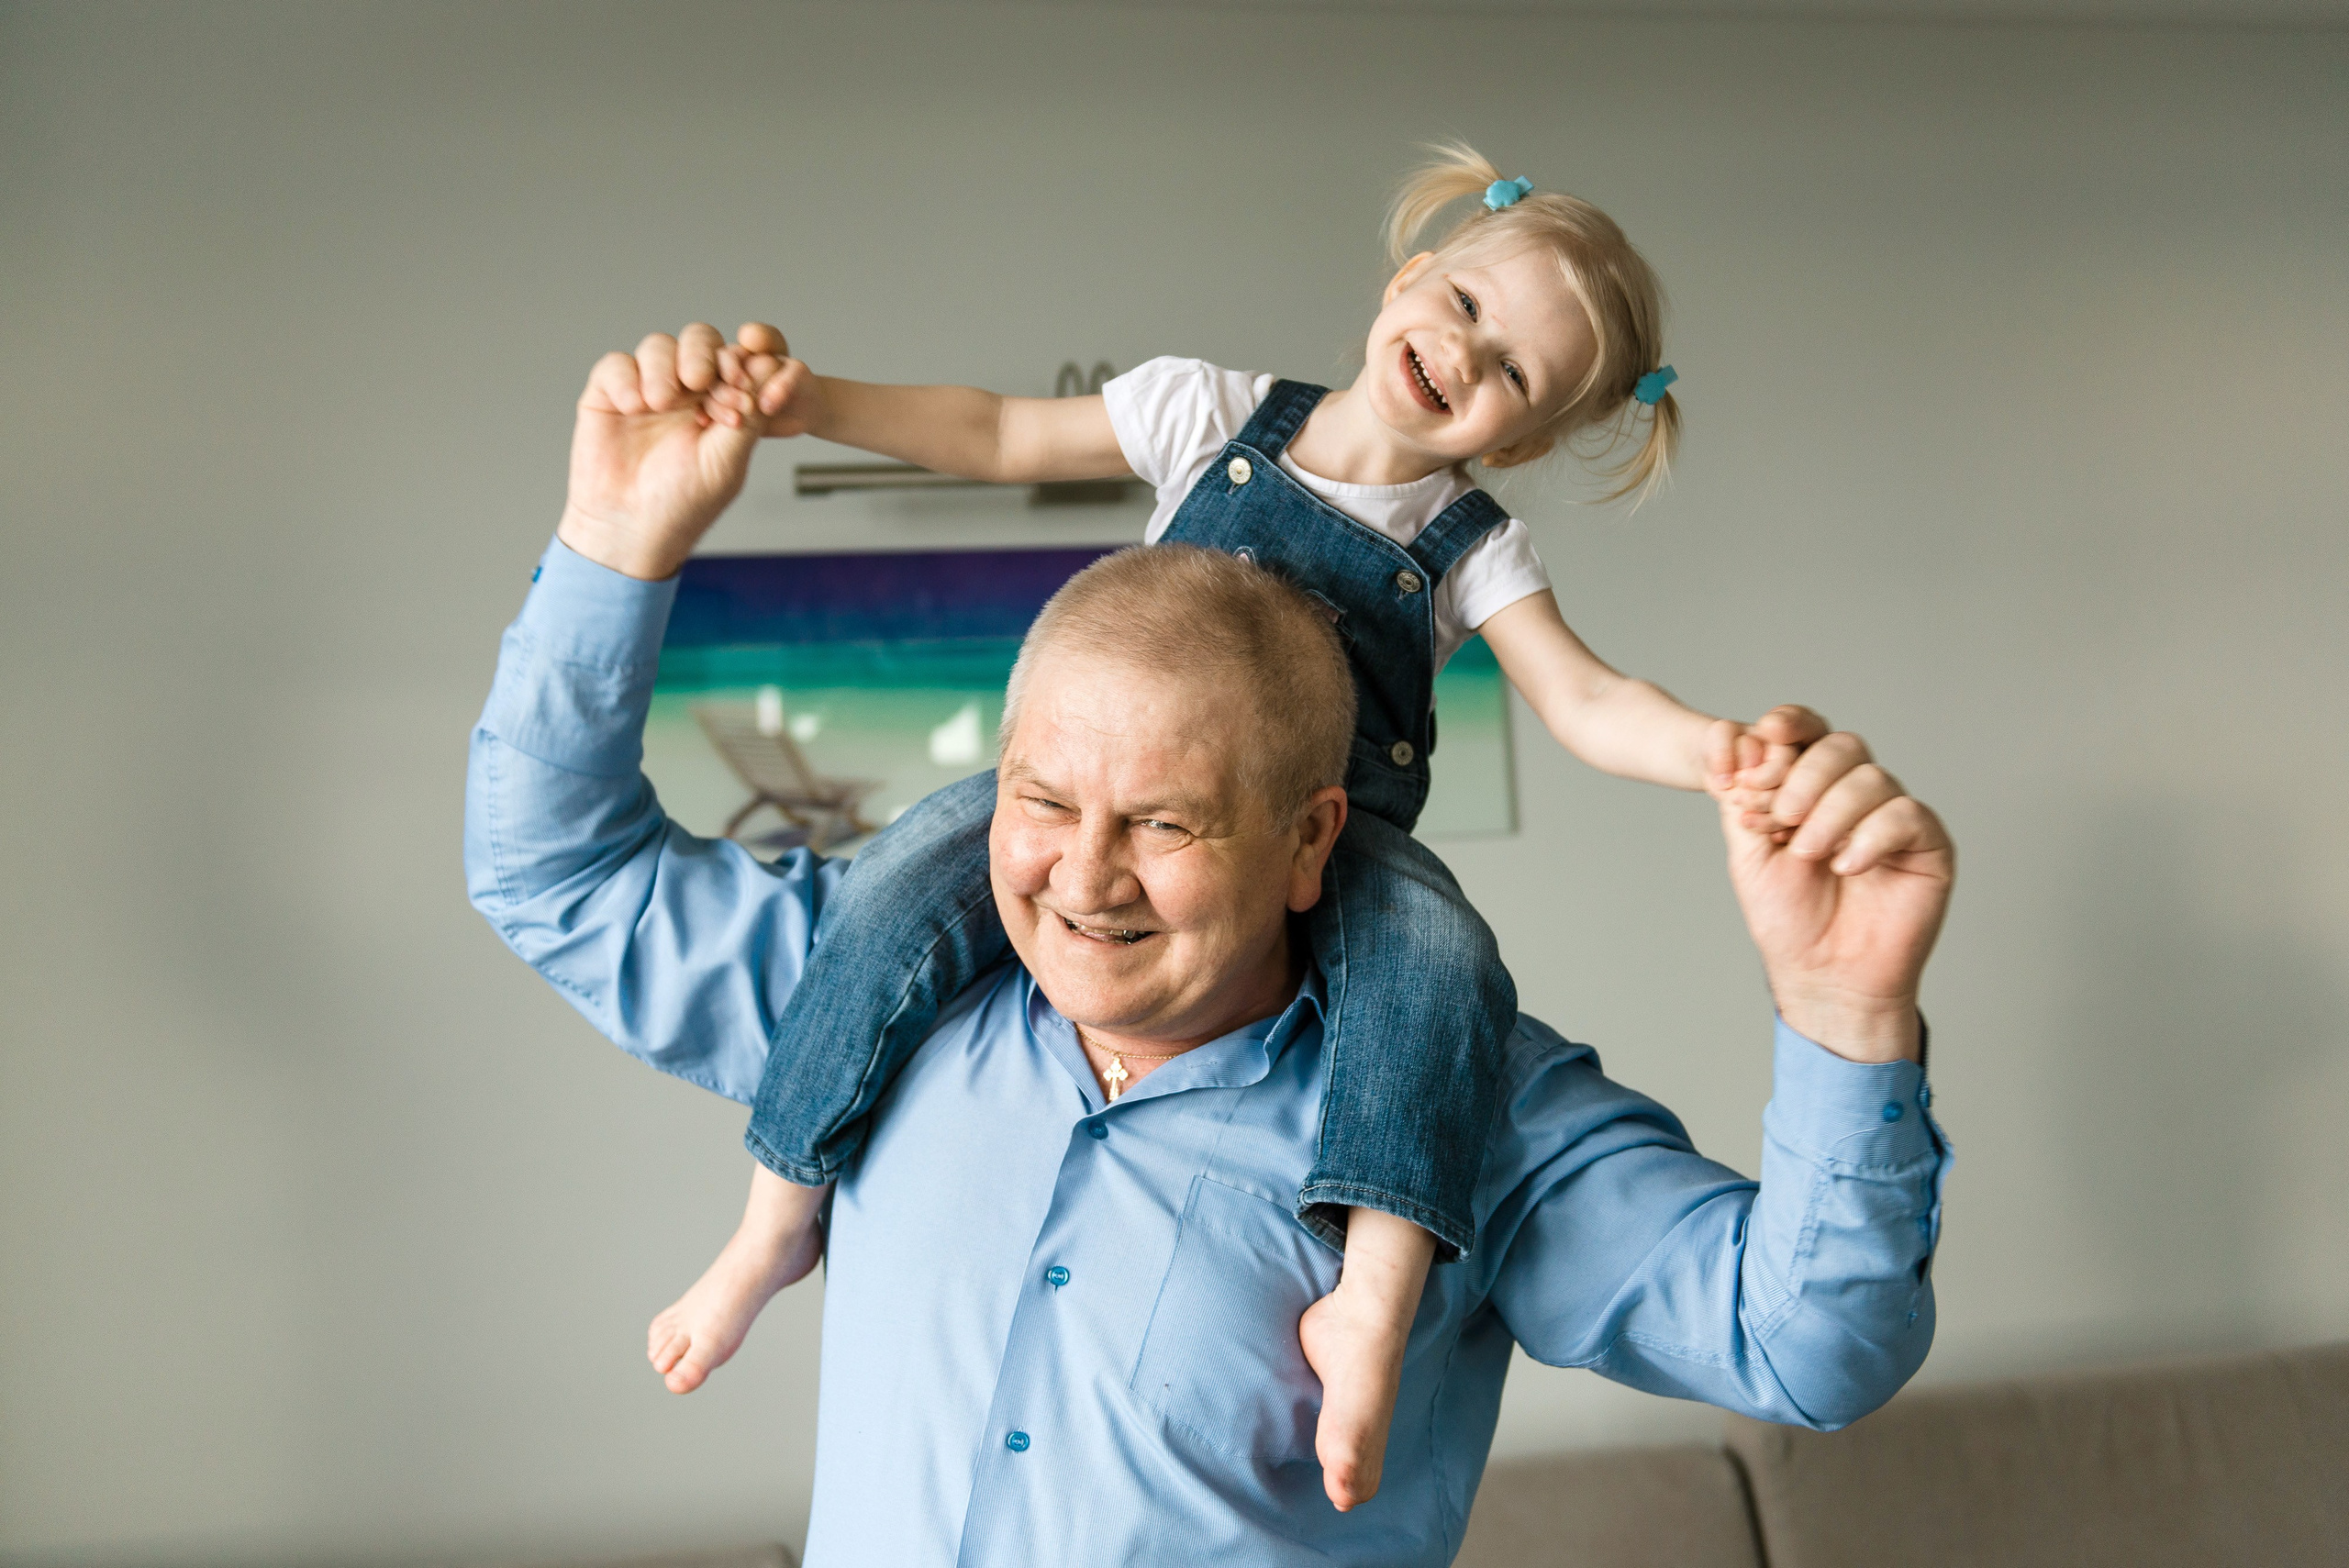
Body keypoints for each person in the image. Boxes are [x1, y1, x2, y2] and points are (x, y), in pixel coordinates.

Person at [466, 320, 1956, 1565]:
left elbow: (1807, 1346)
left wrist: (1844, 1010)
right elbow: (551, 872)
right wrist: (615, 540)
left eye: (1166, 825)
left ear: (1315, 836)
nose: (1083, 877)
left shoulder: (1464, 1110)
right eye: (1042, 799)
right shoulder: (878, 994)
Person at [634, 145, 1830, 1509]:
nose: (1468, 356)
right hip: (1127, 785)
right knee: (900, 879)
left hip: (1334, 835)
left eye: (1514, 376)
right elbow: (1000, 436)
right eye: (1471, 310)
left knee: (1442, 973)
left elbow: (1585, 696)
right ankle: (775, 1220)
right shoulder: (1214, 411)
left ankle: (1369, 1307)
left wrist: (1720, 756)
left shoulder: (1470, 545)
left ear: (1524, 437)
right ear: (1411, 276)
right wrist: (809, 405)